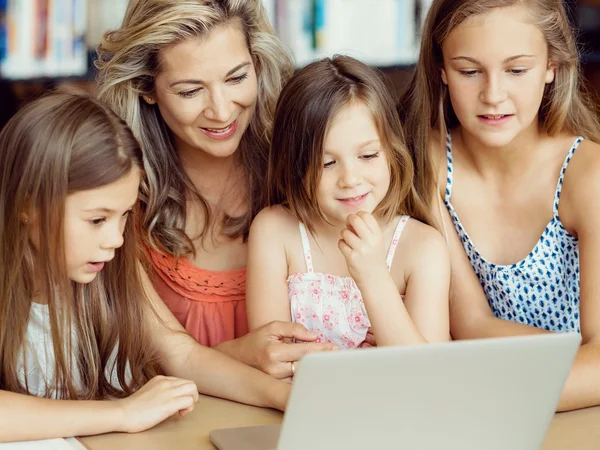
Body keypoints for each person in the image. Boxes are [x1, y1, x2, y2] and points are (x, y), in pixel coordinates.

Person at [0, 92, 290, 443]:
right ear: (27, 207)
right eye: (96, 220)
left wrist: (283, 396)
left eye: (123, 216)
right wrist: (123, 413)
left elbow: (181, 354)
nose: (116, 239)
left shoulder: (109, 267)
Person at [95, 0, 337, 380]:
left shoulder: (310, 169)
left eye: (237, 78)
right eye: (191, 91)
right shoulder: (121, 202)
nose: (222, 111)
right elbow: (144, 370)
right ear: (147, 89)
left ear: (257, 64)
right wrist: (238, 354)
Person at [399, 0, 600, 411]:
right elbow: (469, 323)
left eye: (516, 70)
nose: (493, 95)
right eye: (469, 71)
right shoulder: (429, 164)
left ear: (553, 65)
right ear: (441, 69)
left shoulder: (588, 177)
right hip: (494, 410)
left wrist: (487, 395)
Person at [246, 55, 450, 354]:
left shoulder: (423, 247)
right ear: (295, 165)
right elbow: (272, 356)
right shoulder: (274, 231)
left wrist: (373, 276)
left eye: (368, 156)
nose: (350, 179)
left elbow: (431, 375)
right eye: (327, 163)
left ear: (392, 153)